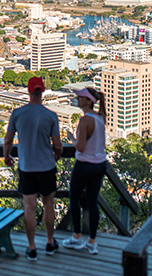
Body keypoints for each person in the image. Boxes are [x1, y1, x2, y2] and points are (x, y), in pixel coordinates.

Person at [4, 76, 63, 262]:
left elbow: (8, 139)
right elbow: (58, 144)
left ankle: (31, 247)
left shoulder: (17, 114)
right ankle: (50, 241)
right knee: (48, 205)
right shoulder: (50, 116)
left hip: (26, 166)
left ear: (28, 92)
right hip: (46, 165)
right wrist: (57, 155)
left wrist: (6, 155)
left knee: (29, 206)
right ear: (42, 91)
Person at [62, 87, 107, 255]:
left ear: (89, 101)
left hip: (85, 164)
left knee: (74, 197)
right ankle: (92, 241)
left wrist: (71, 138)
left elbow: (80, 146)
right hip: (100, 163)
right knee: (92, 201)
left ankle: (77, 236)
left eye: (80, 97)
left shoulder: (85, 120)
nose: (77, 99)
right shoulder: (100, 117)